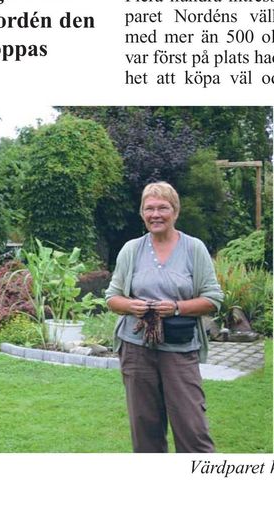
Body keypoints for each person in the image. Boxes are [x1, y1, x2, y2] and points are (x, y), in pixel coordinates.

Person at [106, 182, 222, 452]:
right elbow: (112, 298)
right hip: (136, 348)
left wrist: (177, 308)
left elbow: (213, 299)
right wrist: (130, 306)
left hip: (179, 349)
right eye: (149, 208)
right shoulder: (131, 250)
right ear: (142, 213)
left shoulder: (194, 249)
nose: (155, 214)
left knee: (192, 430)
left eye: (162, 208)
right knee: (145, 430)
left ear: (175, 211)